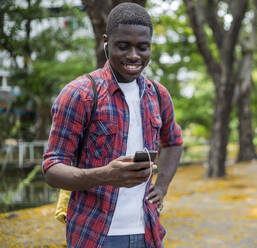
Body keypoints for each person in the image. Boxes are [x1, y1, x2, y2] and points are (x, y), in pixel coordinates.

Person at [42, 3, 183, 248]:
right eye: (123, 46)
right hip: (94, 234)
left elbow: (174, 141)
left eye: (142, 47)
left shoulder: (158, 95)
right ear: (106, 42)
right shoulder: (79, 94)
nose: (133, 56)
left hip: (147, 232)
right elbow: (52, 168)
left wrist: (161, 187)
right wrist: (105, 175)